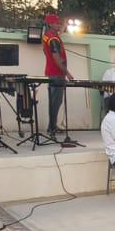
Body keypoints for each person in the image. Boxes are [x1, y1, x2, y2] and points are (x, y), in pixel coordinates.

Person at [40, 14, 76, 146]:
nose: (58, 25)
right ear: (50, 24)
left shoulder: (48, 35)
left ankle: (52, 125)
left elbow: (58, 33)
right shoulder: (53, 39)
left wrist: (64, 26)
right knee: (55, 102)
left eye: (59, 23)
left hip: (53, 72)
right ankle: (52, 128)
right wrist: (67, 73)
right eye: (56, 23)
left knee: (55, 101)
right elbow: (56, 58)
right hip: (57, 73)